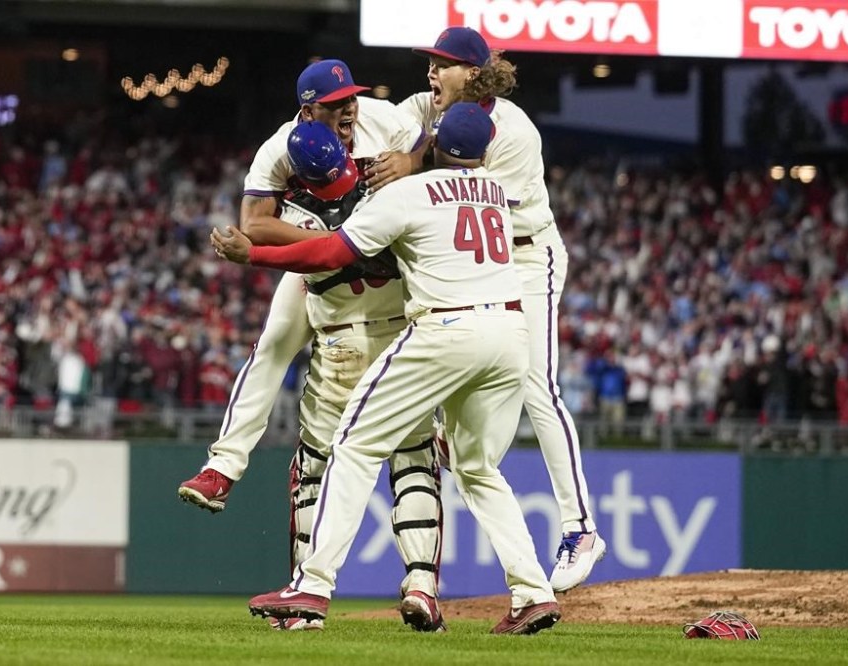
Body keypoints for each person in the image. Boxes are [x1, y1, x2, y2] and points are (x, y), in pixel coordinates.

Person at [219, 102, 561, 635]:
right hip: (511, 334)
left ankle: (313, 584)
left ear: (435, 146)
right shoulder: (496, 190)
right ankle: (532, 592)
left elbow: (332, 251)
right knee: (477, 469)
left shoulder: (410, 191)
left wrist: (254, 255)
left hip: (447, 329)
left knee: (353, 445)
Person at [179, 61, 444, 632]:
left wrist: (413, 159)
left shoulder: (380, 119)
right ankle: (222, 467)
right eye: (335, 103)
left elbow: (426, 148)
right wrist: (332, 242)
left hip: (375, 282)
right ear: (308, 110)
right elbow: (254, 222)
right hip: (339, 271)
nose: (349, 109)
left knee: (328, 454)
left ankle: (311, 591)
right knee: (274, 343)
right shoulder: (279, 148)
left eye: (350, 97)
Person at [370, 26, 606, 592]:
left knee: (537, 385)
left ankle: (580, 527)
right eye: (429, 62)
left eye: (443, 64)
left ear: (474, 74)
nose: (431, 72)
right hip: (472, 262)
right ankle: (459, 440)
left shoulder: (515, 130)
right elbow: (377, 121)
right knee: (462, 373)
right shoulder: (423, 106)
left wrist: (414, 164)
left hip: (526, 256)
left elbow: (475, 204)